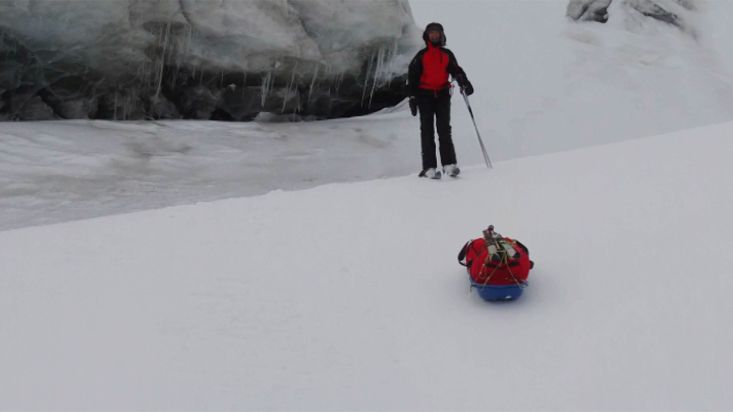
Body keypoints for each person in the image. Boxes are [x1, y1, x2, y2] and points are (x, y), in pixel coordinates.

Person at [408, 22, 473, 179]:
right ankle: (429, 167)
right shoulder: (421, 56)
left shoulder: (447, 54)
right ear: (427, 36)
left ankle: (449, 164)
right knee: (427, 131)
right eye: (431, 33)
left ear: (441, 35)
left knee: (444, 130)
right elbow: (412, 78)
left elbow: (456, 70)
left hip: (443, 95)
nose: (434, 35)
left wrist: (464, 81)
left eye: (437, 32)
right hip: (425, 96)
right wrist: (413, 98)